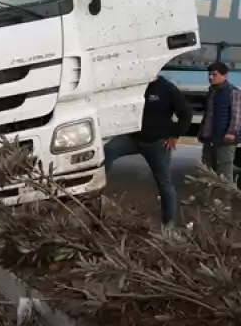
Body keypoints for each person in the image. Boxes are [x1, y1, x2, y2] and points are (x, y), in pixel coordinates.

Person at [102, 75, 193, 225]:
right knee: (107, 151)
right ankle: (96, 193)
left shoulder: (166, 88)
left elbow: (186, 113)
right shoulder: (134, 85)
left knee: (164, 182)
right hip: (132, 138)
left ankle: (169, 223)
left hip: (157, 143)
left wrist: (175, 135)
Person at [197, 61, 241, 182]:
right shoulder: (212, 92)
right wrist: (202, 133)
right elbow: (208, 115)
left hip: (225, 140)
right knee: (206, 170)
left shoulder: (233, 92)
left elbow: (237, 116)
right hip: (210, 138)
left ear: (224, 75)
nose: (211, 77)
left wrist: (231, 132)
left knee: (224, 174)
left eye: (214, 74)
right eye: (209, 74)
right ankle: (204, 199)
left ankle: (225, 200)